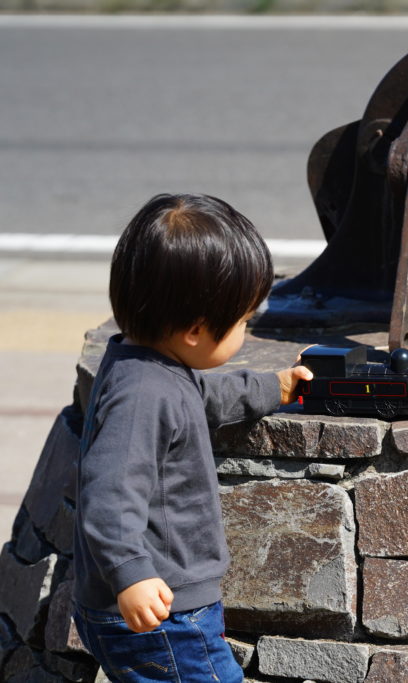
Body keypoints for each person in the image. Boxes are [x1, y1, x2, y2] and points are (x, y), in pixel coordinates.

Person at [72, 193, 312, 682]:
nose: (246, 330)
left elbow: (205, 395)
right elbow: (108, 493)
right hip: (163, 614)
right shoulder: (142, 395)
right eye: (243, 322)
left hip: (159, 610)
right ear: (196, 330)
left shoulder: (150, 365)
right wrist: (131, 574)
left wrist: (274, 387)